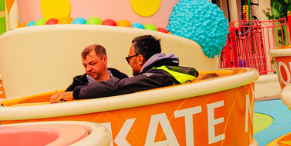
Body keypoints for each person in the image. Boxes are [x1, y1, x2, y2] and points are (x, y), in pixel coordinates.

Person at [68, 35, 199, 100]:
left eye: (129, 58)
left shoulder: (157, 75)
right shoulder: (168, 70)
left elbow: (117, 86)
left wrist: (76, 93)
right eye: (85, 65)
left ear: (140, 59)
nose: (129, 63)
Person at [50, 44, 129, 103]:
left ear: (104, 59)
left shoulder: (122, 78)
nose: (88, 69)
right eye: (85, 65)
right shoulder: (75, 87)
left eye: (92, 63)